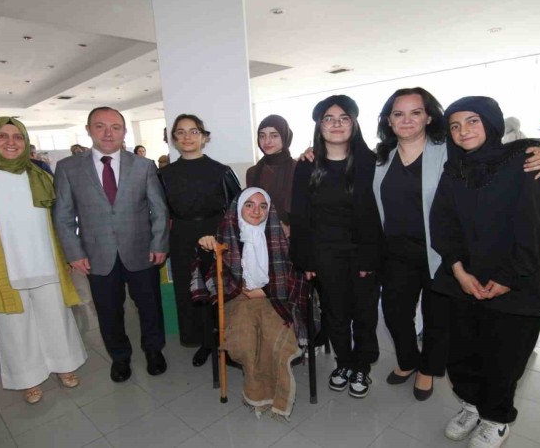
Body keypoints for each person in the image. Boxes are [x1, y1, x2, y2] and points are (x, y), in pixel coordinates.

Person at [372, 88, 540, 401]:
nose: (407, 120)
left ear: (429, 117)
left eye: (416, 112)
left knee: (437, 318)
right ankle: (407, 360)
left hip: (440, 253)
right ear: (388, 120)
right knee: (394, 313)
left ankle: (428, 368)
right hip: (396, 253)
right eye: (398, 114)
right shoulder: (380, 158)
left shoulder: (449, 149)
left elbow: (499, 154)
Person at [431, 96, 540, 448]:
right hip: (464, 281)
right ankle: (471, 406)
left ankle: (495, 418)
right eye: (455, 126)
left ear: (492, 123)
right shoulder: (454, 169)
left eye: (472, 121)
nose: (463, 131)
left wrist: (507, 278)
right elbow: (443, 224)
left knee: (504, 358)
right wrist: (458, 271)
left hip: (515, 285)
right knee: (462, 354)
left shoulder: (524, 163)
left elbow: (537, 230)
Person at [0, 117, 86, 404]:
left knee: (56, 320)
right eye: (3, 136)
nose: (11, 142)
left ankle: (64, 365)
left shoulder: (38, 174)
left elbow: (60, 218)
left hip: (46, 262)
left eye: (18, 137)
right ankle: (28, 379)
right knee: (15, 329)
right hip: (3, 268)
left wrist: (66, 255)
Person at [53, 107, 169, 382]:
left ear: (124, 131)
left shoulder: (144, 166)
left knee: (150, 306)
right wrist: (74, 253)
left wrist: (159, 244)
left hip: (142, 250)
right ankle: (119, 357)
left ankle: (154, 350)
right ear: (89, 130)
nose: (108, 133)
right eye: (100, 126)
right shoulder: (69, 168)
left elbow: (159, 209)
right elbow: (63, 215)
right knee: (108, 310)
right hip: (96, 254)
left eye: (115, 127)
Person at [290, 95, 382, 398]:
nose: (336, 124)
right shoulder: (307, 165)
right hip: (325, 254)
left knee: (364, 314)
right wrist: (306, 260)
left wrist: (370, 257)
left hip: (363, 252)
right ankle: (344, 363)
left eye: (344, 118)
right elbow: (300, 215)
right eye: (328, 119)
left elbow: (376, 215)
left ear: (354, 123)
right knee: (335, 313)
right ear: (320, 126)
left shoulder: (370, 163)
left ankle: (362, 366)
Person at [193, 187, 308, 419]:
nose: (256, 211)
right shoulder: (225, 235)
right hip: (237, 298)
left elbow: (293, 276)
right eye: (249, 205)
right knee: (244, 340)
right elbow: (211, 275)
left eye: (262, 206)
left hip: (274, 298)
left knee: (276, 337)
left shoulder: (279, 236)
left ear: (269, 210)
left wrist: (264, 291)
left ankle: (277, 398)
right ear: (239, 208)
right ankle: (259, 394)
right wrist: (207, 248)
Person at [159, 114, 241, 367]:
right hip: (182, 237)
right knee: (191, 291)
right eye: (181, 132)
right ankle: (204, 342)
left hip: (216, 235)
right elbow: (159, 211)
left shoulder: (221, 171)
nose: (187, 137)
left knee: (219, 289)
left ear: (204, 138)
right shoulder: (164, 174)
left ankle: (226, 341)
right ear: (174, 139)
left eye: (194, 131)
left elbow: (237, 209)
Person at [246, 115, 296, 236]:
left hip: (298, 237)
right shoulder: (253, 172)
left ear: (285, 137)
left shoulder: (298, 168)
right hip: (262, 236)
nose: (267, 141)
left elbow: (311, 207)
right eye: (262, 136)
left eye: (274, 135)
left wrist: (292, 228)